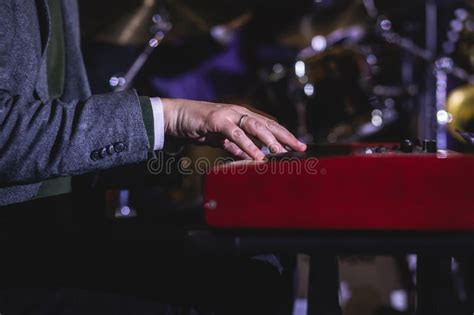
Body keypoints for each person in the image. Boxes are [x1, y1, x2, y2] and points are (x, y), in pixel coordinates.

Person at [0, 0, 305, 313]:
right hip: (17, 250)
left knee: (264, 257)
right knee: (241, 288)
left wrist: (189, 156)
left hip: (58, 226)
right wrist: (166, 116)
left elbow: (65, 138)